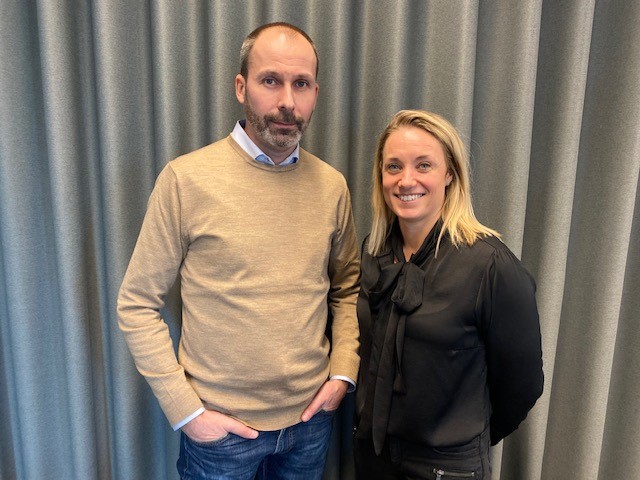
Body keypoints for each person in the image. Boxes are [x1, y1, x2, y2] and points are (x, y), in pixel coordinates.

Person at [117, 22, 360, 480]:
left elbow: (347, 288)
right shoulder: (185, 180)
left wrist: (342, 373)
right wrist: (187, 412)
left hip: (310, 424)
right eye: (270, 80)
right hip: (220, 435)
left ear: (315, 93)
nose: (287, 101)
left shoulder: (332, 187)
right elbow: (136, 304)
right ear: (241, 87)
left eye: (301, 84)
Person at [353, 110, 543, 479]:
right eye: (394, 167)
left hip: (446, 468)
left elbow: (522, 386)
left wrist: (461, 441)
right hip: (372, 459)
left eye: (423, 165)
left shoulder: (490, 266)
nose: (406, 180)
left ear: (450, 174)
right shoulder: (374, 251)